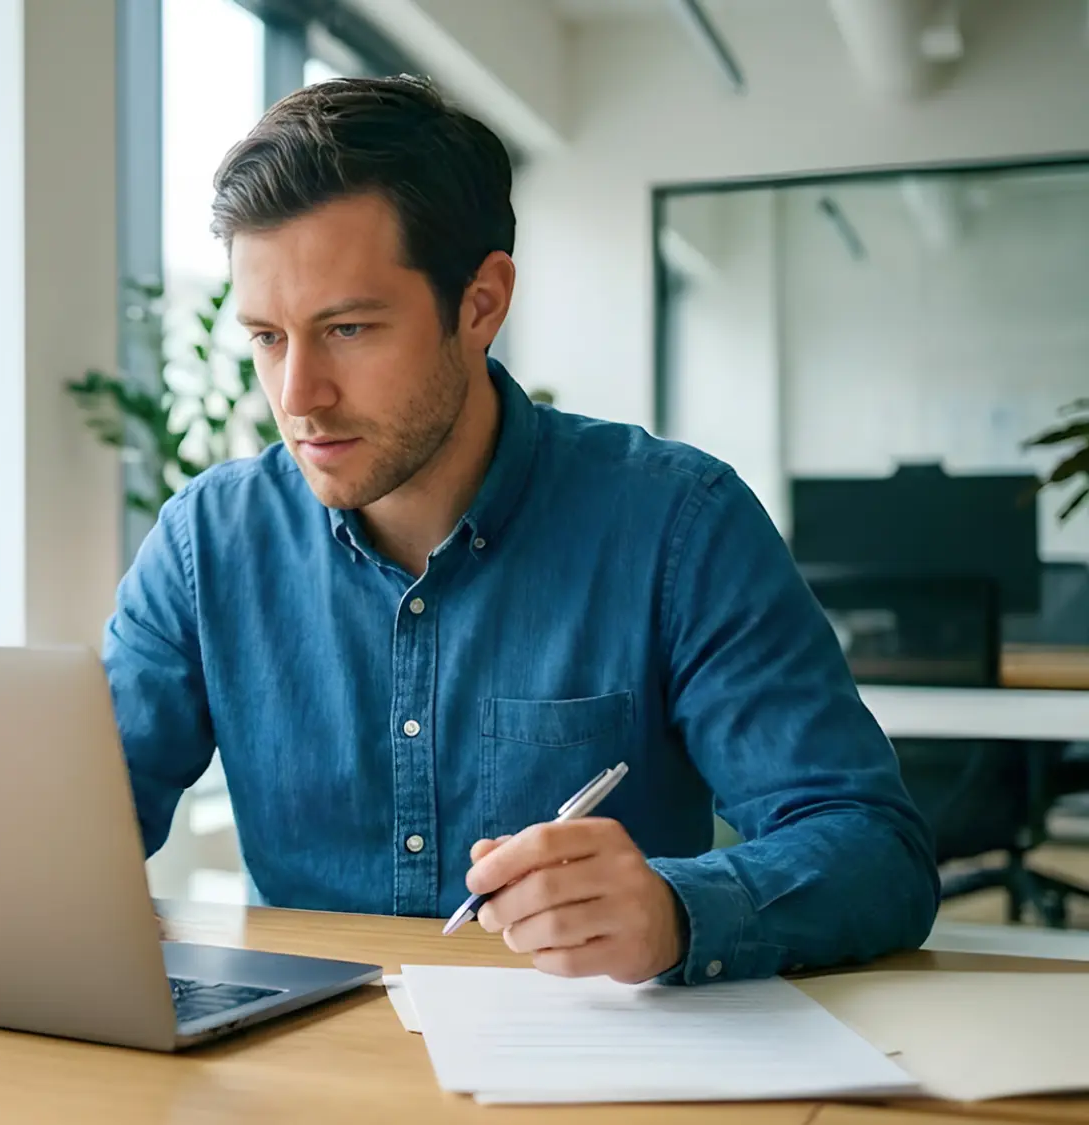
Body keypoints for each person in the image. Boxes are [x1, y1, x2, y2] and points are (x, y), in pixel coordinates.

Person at [103, 76, 938, 986]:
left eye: (347, 328)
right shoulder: (205, 544)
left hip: (595, 1073)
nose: (298, 398)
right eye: (268, 337)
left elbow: (875, 849)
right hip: (306, 1071)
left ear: (481, 302)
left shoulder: (677, 525)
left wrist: (674, 910)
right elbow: (73, 830)